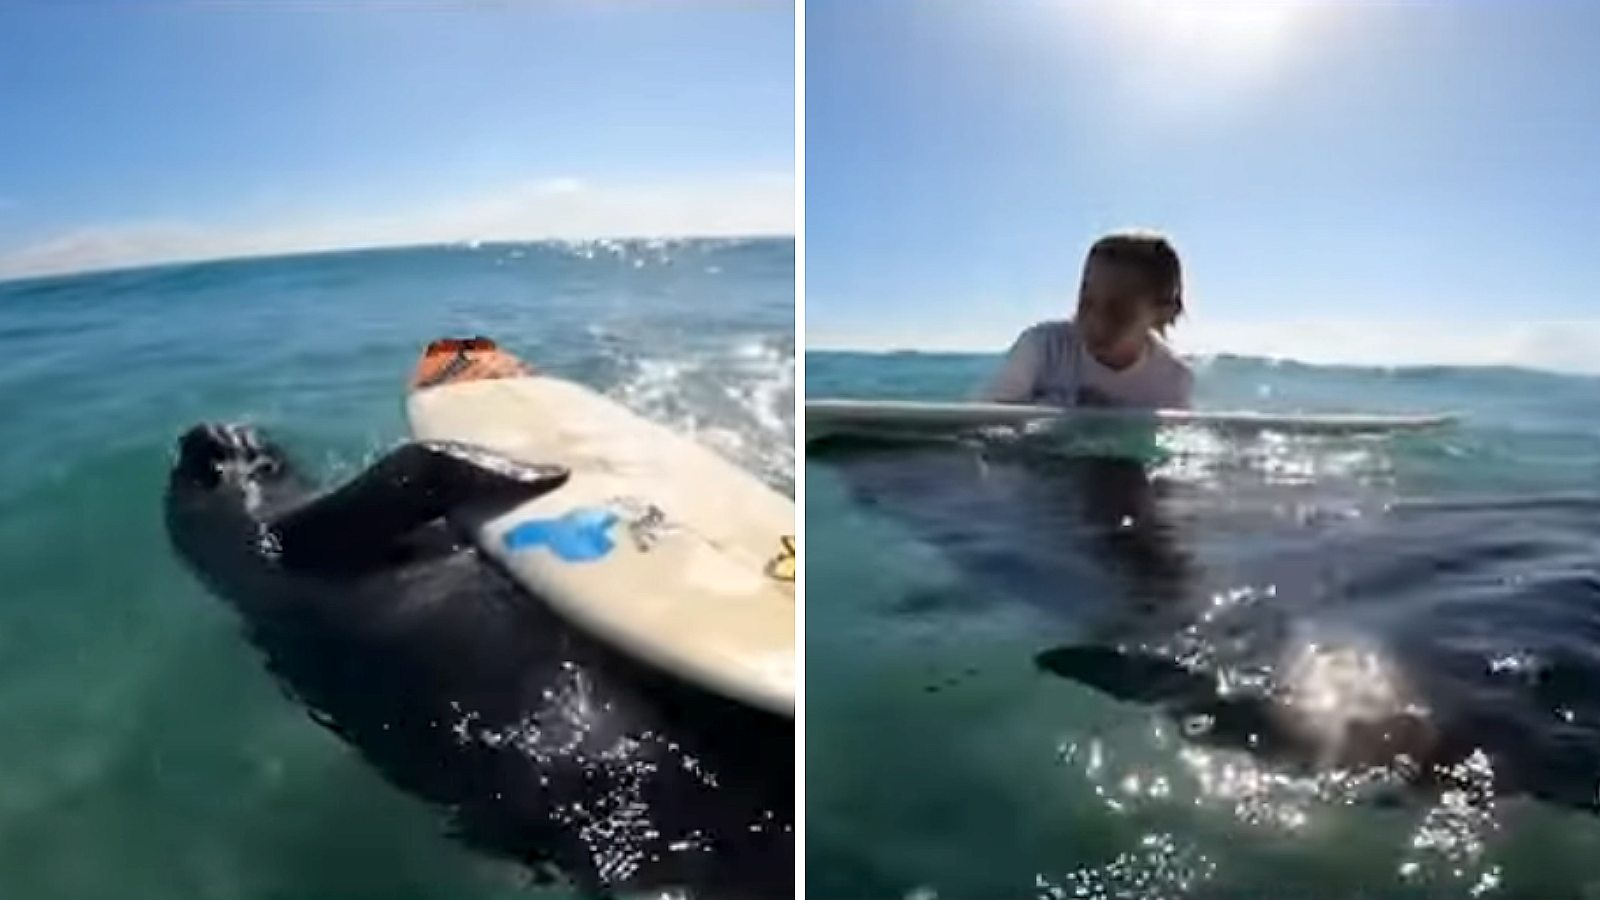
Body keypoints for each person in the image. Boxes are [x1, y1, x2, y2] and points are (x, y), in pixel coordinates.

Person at [978, 230, 1194, 409]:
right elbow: (981, 424)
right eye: (1086, 303)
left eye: (1118, 311)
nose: (1096, 323)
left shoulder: (1172, 380)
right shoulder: (1043, 348)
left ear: (1163, 312)